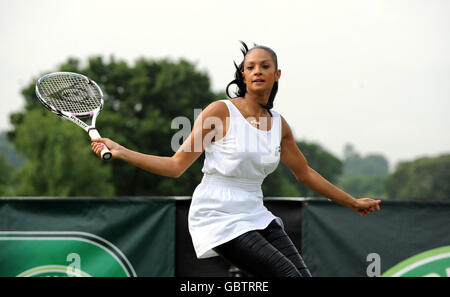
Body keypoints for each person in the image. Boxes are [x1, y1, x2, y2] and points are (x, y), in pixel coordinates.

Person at [91, 41, 381, 277]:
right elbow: (175, 166)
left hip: (255, 212)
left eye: (264, 66)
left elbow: (305, 174)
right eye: (250, 67)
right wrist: (122, 151)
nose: (257, 71)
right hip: (217, 214)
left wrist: (352, 203)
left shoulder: (280, 125)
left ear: (277, 74)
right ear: (243, 75)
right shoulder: (219, 111)